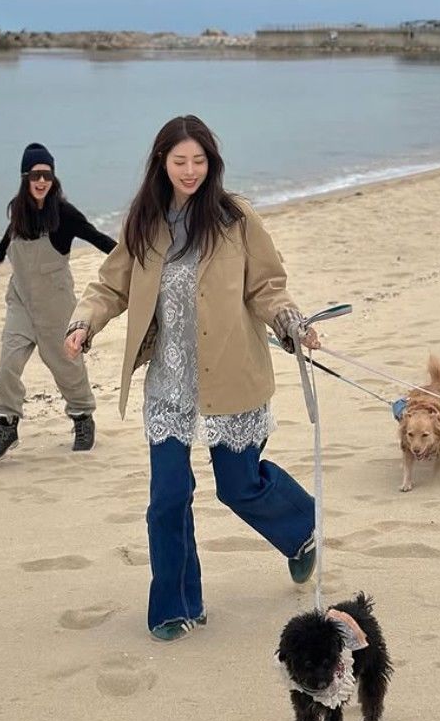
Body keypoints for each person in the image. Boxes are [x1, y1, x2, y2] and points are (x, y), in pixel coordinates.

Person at [64, 115, 320, 642]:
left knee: (239, 486)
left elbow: (266, 286)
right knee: (168, 499)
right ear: (161, 162)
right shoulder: (144, 221)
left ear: (212, 163)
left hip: (230, 374)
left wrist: (292, 322)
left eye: (199, 161)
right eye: (179, 161)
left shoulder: (235, 218)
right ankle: (175, 606)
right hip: (169, 385)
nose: (189, 171)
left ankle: (302, 529)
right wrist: (83, 323)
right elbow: (110, 286)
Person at [0, 142, 116, 461]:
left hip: (56, 305)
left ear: (53, 178)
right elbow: (11, 231)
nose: (41, 181)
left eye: (47, 175)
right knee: (7, 367)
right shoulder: (19, 208)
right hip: (21, 302)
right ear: (25, 178)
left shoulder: (64, 214)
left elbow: (95, 236)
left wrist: (129, 259)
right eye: (35, 175)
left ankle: (83, 418)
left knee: (67, 367)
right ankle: (7, 423)